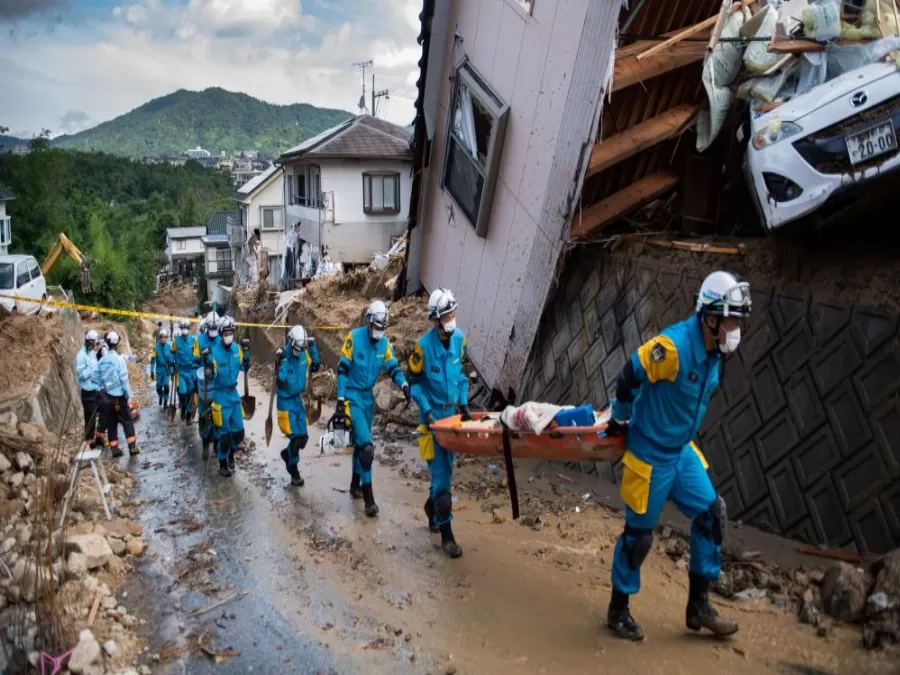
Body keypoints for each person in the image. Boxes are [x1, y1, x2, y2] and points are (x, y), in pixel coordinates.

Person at [604, 270, 751, 642]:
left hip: (680, 452)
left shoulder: (714, 352)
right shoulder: (671, 349)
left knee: (711, 514)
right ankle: (618, 609)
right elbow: (627, 376)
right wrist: (620, 420)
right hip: (649, 453)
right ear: (711, 317)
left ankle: (698, 606)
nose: (736, 329)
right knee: (638, 538)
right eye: (731, 320)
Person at [407, 288, 469, 558]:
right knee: (443, 481)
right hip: (431, 424)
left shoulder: (461, 340)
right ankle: (447, 537)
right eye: (447, 315)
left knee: (446, 471)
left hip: (453, 418)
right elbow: (414, 384)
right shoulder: (423, 348)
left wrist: (464, 402)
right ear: (436, 319)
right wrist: (427, 410)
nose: (452, 319)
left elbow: (462, 376)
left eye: (453, 313)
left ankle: (431, 509)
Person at [334, 300, 410, 517]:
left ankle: (354, 484)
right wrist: (340, 399)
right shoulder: (354, 338)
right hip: (351, 396)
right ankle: (368, 498)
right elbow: (342, 369)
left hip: (368, 398)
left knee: (360, 444)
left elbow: (393, 367)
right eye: (377, 327)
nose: (379, 332)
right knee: (367, 447)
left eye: (383, 328)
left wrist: (403, 384)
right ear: (369, 323)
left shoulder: (384, 344)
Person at [202, 316, 250, 477]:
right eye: (226, 332)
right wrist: (208, 367)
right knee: (224, 434)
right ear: (222, 334)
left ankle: (231, 454)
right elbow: (210, 373)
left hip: (234, 394)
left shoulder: (237, 349)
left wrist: (247, 352)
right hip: (221, 396)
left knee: (238, 432)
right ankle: (222, 463)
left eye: (231, 332)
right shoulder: (214, 353)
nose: (229, 335)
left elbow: (244, 366)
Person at [275, 325, 320, 486]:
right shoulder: (285, 358)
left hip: (297, 401)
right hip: (285, 402)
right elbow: (279, 382)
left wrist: (313, 347)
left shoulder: (303, 354)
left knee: (303, 438)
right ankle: (293, 471)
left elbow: (315, 365)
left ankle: (287, 454)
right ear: (291, 342)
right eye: (296, 348)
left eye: (301, 348)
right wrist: (280, 361)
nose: (298, 351)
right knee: (295, 439)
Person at [98, 331, 140, 458]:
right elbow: (123, 379)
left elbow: (98, 379)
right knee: (127, 421)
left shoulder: (102, 361)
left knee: (111, 423)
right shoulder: (119, 359)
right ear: (116, 344)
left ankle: (114, 449)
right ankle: (132, 447)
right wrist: (128, 395)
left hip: (107, 396)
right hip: (119, 396)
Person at [194, 312, 221, 459]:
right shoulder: (200, 341)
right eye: (210, 328)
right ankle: (205, 443)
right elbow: (194, 362)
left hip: (217, 386)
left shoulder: (221, 340)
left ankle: (216, 444)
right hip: (203, 385)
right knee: (204, 415)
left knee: (217, 415)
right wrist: (196, 379)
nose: (212, 332)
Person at [75, 329, 105, 448]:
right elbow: (81, 375)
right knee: (90, 417)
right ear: (89, 342)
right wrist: (91, 369)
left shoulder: (92, 353)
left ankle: (98, 436)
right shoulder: (81, 356)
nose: (95, 347)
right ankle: (89, 442)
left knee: (102, 412)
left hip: (96, 388)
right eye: (94, 344)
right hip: (87, 391)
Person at [172, 319, 198, 423]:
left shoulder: (194, 341)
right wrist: (172, 364)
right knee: (182, 393)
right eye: (182, 328)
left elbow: (197, 355)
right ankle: (182, 406)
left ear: (188, 329)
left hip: (191, 371)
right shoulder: (176, 341)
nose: (184, 330)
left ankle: (188, 415)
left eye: (186, 328)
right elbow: (172, 353)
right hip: (181, 372)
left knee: (190, 394)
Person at [149, 328, 175, 407]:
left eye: (165, 337)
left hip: (166, 370)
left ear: (166, 338)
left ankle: (165, 402)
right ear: (159, 338)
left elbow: (171, 361)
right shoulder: (156, 347)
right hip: (159, 370)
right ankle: (161, 396)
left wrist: (172, 371)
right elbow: (153, 360)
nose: (163, 339)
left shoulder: (168, 347)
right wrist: (151, 371)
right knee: (159, 388)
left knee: (166, 387)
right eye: (162, 337)